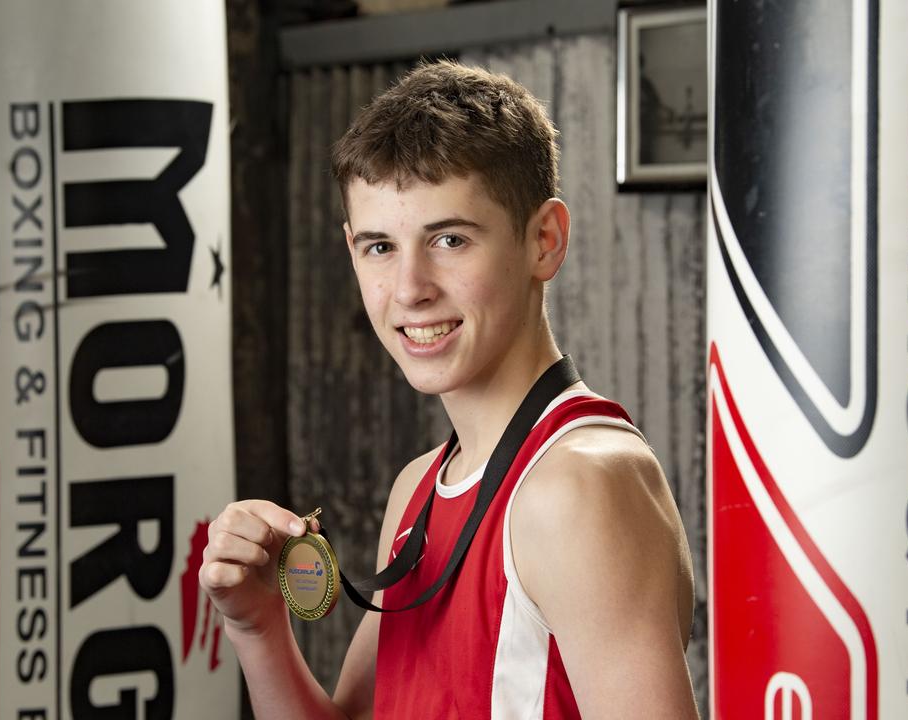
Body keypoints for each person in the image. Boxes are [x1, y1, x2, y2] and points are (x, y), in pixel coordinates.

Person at [199, 60, 699, 719]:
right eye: (380, 247)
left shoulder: (575, 487)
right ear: (351, 250)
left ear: (544, 240)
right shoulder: (419, 490)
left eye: (450, 239)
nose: (410, 288)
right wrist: (257, 626)